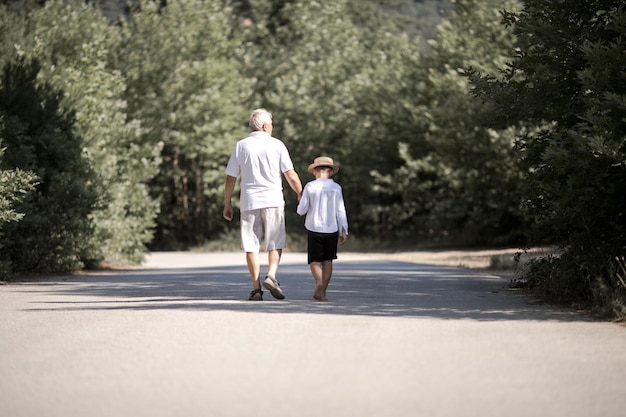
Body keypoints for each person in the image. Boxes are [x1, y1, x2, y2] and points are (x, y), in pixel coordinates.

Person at [223, 108, 303, 301]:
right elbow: (290, 175)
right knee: (275, 241)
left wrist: (227, 202)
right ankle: (271, 276)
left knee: (251, 245)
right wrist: (301, 193)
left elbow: (230, 178)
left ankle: (257, 289)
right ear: (266, 126)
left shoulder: (241, 146)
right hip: (273, 199)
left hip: (249, 201)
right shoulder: (277, 145)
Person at [296, 156, 348, 301]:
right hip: (332, 228)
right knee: (328, 260)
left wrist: (300, 200)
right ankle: (322, 291)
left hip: (314, 227)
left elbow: (302, 210)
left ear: (314, 172)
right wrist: (344, 229)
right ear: (331, 172)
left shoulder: (310, 187)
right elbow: (340, 210)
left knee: (314, 260)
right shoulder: (337, 188)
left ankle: (318, 282)